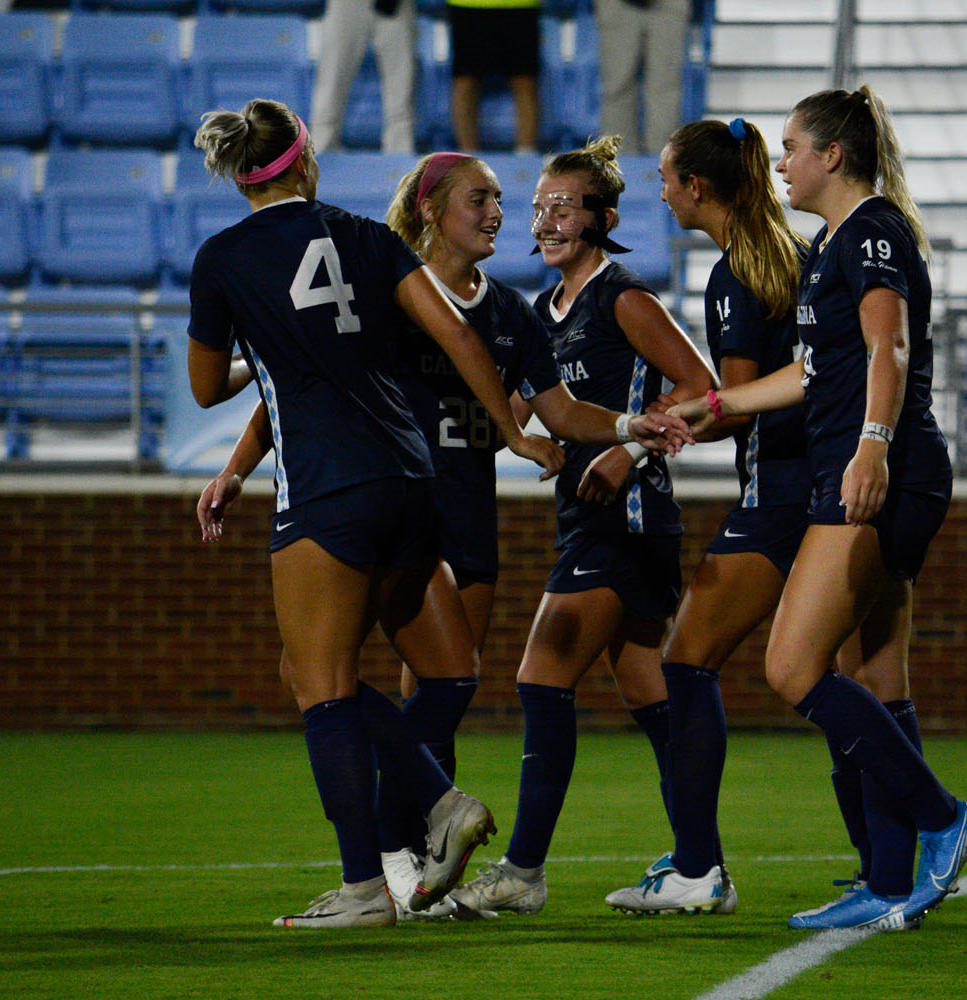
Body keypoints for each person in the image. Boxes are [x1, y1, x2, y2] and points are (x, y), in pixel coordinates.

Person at [196, 150, 691, 917]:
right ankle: (408, 842)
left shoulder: (512, 314)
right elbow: (298, 385)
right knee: (339, 676)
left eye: (500, 200)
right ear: (431, 209)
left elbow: (557, 411)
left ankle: (412, 848)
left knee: (438, 686)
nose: (499, 213)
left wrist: (626, 429)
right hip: (403, 505)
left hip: (456, 516)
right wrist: (235, 468)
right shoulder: (384, 290)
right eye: (480, 199)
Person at [185, 98, 563, 928]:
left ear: (243, 177)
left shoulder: (222, 259)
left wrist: (262, 352)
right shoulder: (365, 236)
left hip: (327, 487)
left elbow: (207, 387)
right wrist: (514, 433)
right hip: (412, 479)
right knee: (445, 672)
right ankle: (436, 805)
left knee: (318, 686)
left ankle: (368, 883)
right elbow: (459, 336)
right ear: (304, 161)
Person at [668, 87, 967, 932]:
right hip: (874, 467)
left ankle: (943, 817)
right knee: (874, 675)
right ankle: (889, 881)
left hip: (880, 470)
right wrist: (715, 407)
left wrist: (872, 444)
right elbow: (812, 371)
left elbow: (891, 344)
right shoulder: (829, 245)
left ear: (832, 156)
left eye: (791, 148)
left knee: (791, 667)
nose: (780, 164)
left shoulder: (872, 230)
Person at [448, 135, 717, 917]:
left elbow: (701, 387)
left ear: (603, 218)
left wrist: (629, 451)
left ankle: (523, 871)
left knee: (541, 678)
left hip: (626, 519)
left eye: (563, 207)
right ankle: (703, 865)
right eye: (538, 208)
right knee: (651, 693)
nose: (545, 221)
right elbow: (515, 413)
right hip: (586, 519)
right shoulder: (541, 313)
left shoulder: (622, 298)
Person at [600, 116, 810, 914]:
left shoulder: (737, 272)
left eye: (666, 179)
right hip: (829, 485)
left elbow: (739, 402)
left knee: (686, 662)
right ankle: (892, 860)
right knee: (860, 676)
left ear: (697, 187)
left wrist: (655, 428)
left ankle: (698, 870)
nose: (660, 193)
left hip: (780, 489)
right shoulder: (795, 253)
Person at [309, 0, 416, 155]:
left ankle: (400, 156)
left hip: (396, 5)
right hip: (348, 4)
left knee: (402, 92)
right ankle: (321, 153)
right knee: (332, 82)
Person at [595, 0, 690, 155]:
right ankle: (619, 160)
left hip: (669, 6)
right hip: (617, 6)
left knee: (665, 86)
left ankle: (663, 161)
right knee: (617, 86)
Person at [447, 0, 539, 153]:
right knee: (465, 79)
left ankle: (526, 156)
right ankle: (467, 156)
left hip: (520, 5)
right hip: (468, 5)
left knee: (524, 79)